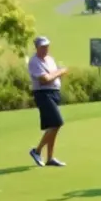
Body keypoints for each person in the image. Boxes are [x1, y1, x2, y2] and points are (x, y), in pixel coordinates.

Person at [28, 36, 68, 167]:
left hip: (54, 93)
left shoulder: (50, 59)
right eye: (42, 47)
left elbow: (53, 76)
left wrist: (57, 74)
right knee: (58, 122)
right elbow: (44, 79)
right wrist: (60, 72)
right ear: (37, 47)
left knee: (53, 126)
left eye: (47, 46)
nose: (45, 49)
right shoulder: (34, 62)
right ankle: (37, 151)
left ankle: (50, 158)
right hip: (43, 94)